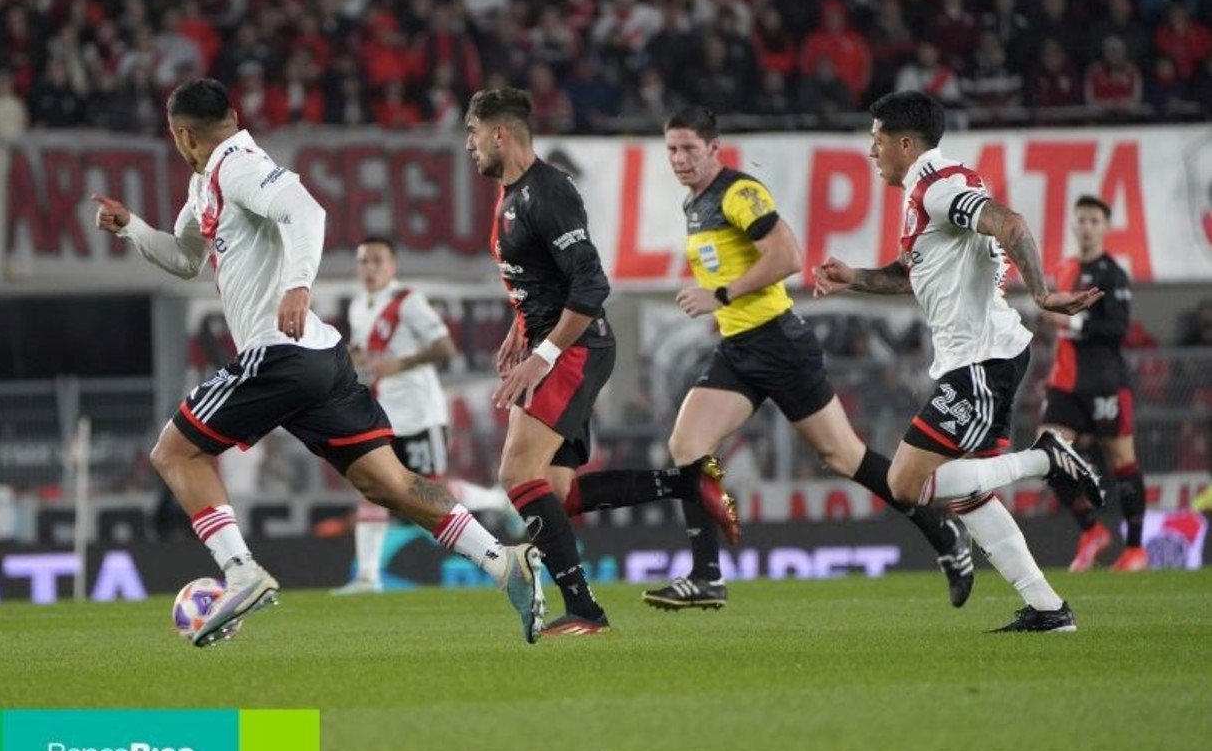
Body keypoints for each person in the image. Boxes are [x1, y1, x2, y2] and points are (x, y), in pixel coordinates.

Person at [93, 78, 545, 646]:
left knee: (175, 452)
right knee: (392, 484)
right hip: (319, 360)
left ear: (180, 134)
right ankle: (503, 561)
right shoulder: (205, 183)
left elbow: (306, 211)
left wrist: (298, 285)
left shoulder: (238, 166)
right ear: (232, 112)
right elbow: (185, 259)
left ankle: (241, 572)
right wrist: (132, 227)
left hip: (279, 352)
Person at [640, 107, 974, 614]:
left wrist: (722, 294)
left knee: (844, 457)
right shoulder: (695, 204)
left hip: (778, 344)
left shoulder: (738, 193)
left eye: (689, 148)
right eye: (671, 150)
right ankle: (706, 577)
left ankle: (942, 528)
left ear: (714, 148)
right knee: (687, 444)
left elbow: (788, 256)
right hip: (738, 349)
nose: (680, 159)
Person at [814, 91, 1104, 632]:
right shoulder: (927, 190)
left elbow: (1011, 223)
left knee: (904, 484)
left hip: (980, 361)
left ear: (905, 142)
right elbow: (911, 275)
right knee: (967, 495)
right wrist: (853, 277)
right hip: (979, 357)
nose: (871, 150)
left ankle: (1045, 459)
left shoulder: (939, 186)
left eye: (877, 138)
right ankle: (1047, 608)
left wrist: (1041, 293)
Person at [467, 87, 736, 637]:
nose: (468, 146)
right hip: (555, 343)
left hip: (575, 347)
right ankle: (686, 486)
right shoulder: (511, 194)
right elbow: (545, 280)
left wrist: (540, 355)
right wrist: (520, 331)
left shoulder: (548, 191)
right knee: (556, 492)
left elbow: (591, 284)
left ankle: (585, 609)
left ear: (499, 133)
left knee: (516, 475)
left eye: (472, 133)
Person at [335, 236, 458, 594]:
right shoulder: (360, 305)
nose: (369, 268)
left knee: (432, 494)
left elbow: (444, 348)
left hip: (421, 412)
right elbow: (363, 351)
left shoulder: (409, 301)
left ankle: (496, 501)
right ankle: (367, 577)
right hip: (385, 414)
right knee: (371, 488)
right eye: (364, 261)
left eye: (377, 261)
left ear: (393, 266)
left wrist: (401, 363)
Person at [1038, 195, 1147, 572]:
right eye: (1081, 218)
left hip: (1104, 381)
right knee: (1046, 457)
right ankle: (1092, 530)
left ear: (1105, 227)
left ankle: (1135, 549)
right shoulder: (1065, 268)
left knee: (1122, 463)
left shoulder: (1111, 273)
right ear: (1073, 223)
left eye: (1093, 220)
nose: (1085, 226)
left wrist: (1071, 323)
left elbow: (1118, 329)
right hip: (1065, 382)